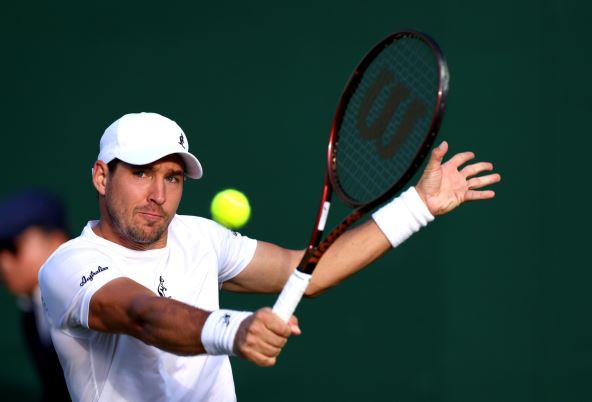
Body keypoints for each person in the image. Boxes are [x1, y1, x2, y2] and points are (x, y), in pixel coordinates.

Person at [38, 112, 500, 402]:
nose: (159, 194)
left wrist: (417, 206)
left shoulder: (200, 238)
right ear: (102, 177)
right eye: (141, 173)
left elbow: (305, 271)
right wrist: (234, 331)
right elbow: (143, 315)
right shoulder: (68, 265)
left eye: (173, 178)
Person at [0, 189, 71, 401]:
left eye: (13, 248)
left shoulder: (92, 299)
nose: (4, 264)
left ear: (56, 241)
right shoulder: (30, 314)